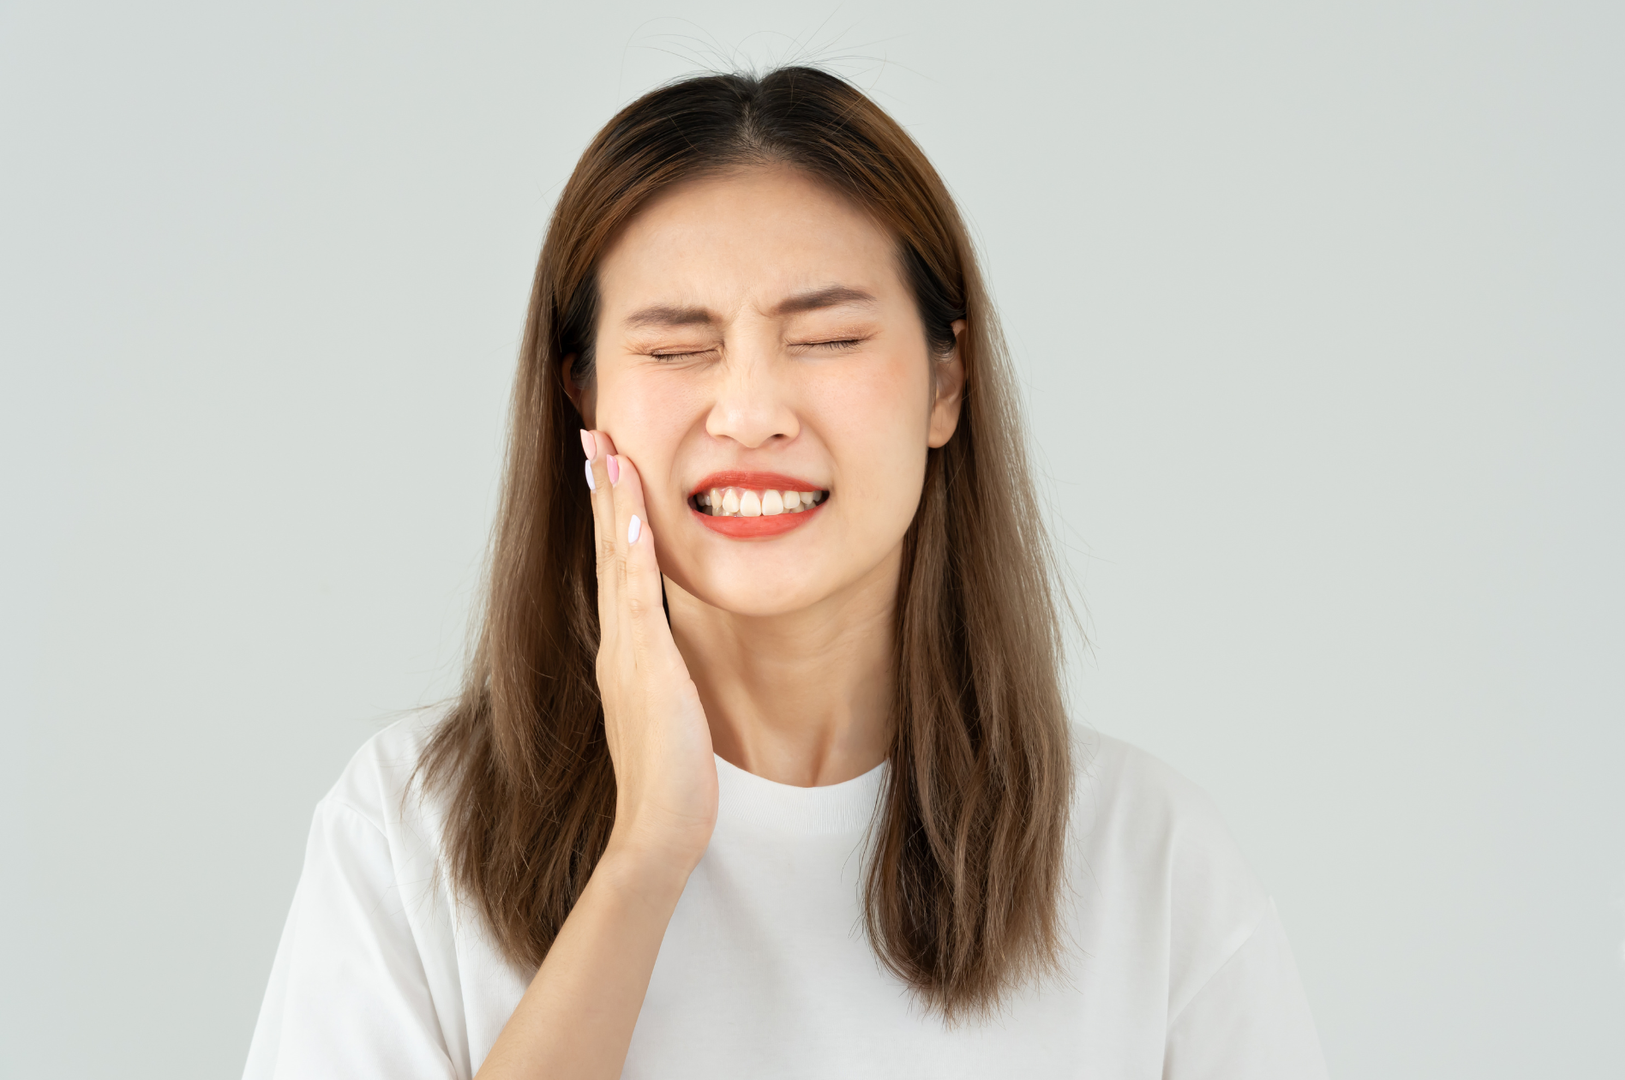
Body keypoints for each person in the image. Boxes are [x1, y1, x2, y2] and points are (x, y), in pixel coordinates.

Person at [242, 66, 1327, 1079]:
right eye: (676, 350)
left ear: (946, 385)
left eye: (829, 340)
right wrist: (646, 852)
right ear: (581, 397)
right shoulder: (410, 831)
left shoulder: (1151, 865)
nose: (751, 412)